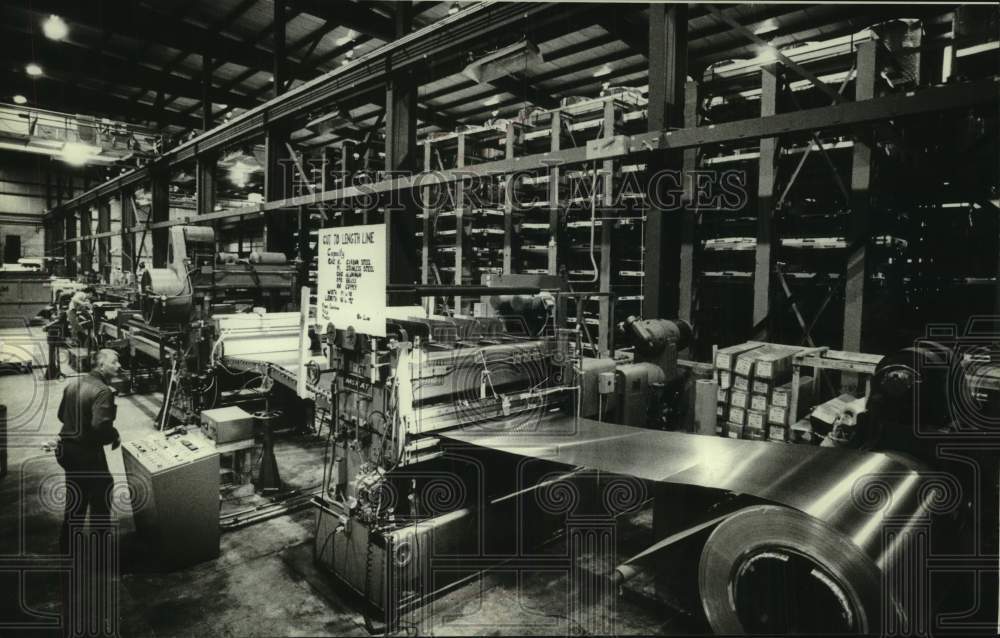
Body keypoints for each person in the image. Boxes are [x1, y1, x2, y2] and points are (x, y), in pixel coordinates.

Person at [56, 348, 122, 554]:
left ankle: (67, 546)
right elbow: (100, 427)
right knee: (102, 493)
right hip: (85, 452)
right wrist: (114, 434)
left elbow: (61, 416)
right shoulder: (102, 391)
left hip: (67, 450)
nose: (119, 366)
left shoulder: (73, 384)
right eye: (115, 362)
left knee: (77, 497)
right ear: (101, 366)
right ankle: (102, 548)